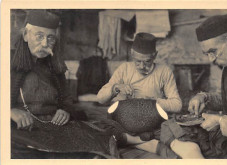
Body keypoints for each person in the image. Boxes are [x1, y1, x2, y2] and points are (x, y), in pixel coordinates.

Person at [11, 10, 118, 159]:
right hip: (24, 126)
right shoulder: (8, 61)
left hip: (53, 124)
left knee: (94, 137)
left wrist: (64, 110)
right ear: (25, 36)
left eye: (50, 38)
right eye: (39, 36)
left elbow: (67, 99)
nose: (44, 44)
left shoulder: (55, 66)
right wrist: (10, 112)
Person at [160, 14, 227, 159]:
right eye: (207, 54)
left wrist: (219, 121)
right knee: (169, 126)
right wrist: (204, 97)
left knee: (174, 138)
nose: (211, 59)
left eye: (212, 51)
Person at [97, 32, 182, 158]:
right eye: (138, 62)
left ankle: (131, 141)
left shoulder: (164, 71)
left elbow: (177, 105)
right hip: (125, 123)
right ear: (132, 54)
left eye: (147, 61)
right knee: (101, 129)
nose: (142, 66)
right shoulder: (124, 69)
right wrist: (116, 88)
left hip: (152, 123)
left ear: (155, 56)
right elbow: (100, 99)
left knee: (176, 133)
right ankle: (142, 142)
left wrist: (152, 103)